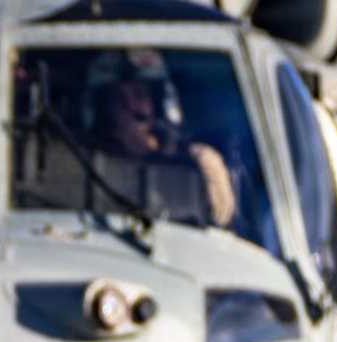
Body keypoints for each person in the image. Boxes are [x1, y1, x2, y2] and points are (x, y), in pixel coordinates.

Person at [88, 49, 237, 227]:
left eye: (142, 93)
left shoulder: (193, 160)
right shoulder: (79, 160)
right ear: (103, 108)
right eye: (120, 99)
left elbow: (223, 224)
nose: (138, 108)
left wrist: (204, 159)